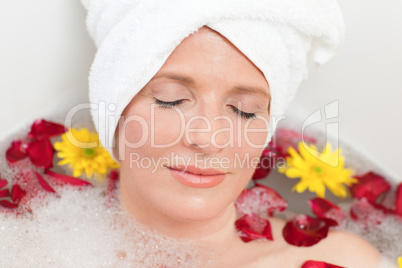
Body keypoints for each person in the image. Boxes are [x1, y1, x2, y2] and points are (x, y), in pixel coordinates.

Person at [81, 0, 383, 267]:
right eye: (170, 99)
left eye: (244, 110)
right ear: (113, 110)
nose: (209, 139)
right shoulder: (39, 247)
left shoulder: (341, 261)